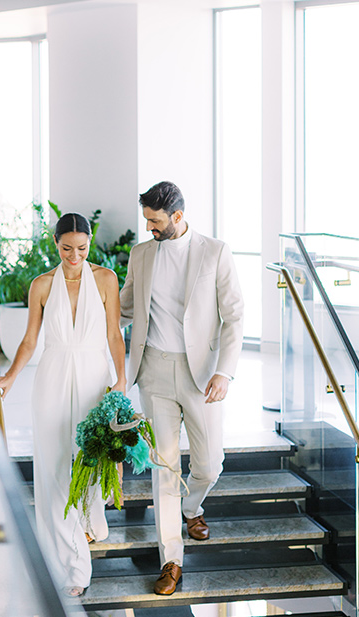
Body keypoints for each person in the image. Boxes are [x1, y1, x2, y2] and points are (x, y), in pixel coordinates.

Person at [0, 213, 126, 597]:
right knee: (51, 467)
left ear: (90, 243)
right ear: (55, 243)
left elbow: (115, 334)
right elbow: (30, 340)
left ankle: (87, 518)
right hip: (51, 377)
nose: (74, 255)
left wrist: (121, 379)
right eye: (67, 248)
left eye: (82, 248)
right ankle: (72, 565)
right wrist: (11, 375)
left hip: (93, 377)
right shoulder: (42, 285)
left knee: (90, 459)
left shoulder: (105, 280)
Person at [120, 181, 244, 595]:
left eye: (156, 222)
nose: (150, 229)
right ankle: (171, 559)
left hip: (202, 374)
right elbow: (123, 307)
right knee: (165, 468)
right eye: (147, 221)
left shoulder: (214, 251)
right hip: (153, 370)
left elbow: (235, 318)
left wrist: (224, 372)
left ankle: (193, 508)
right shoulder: (141, 254)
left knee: (210, 464)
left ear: (177, 216)